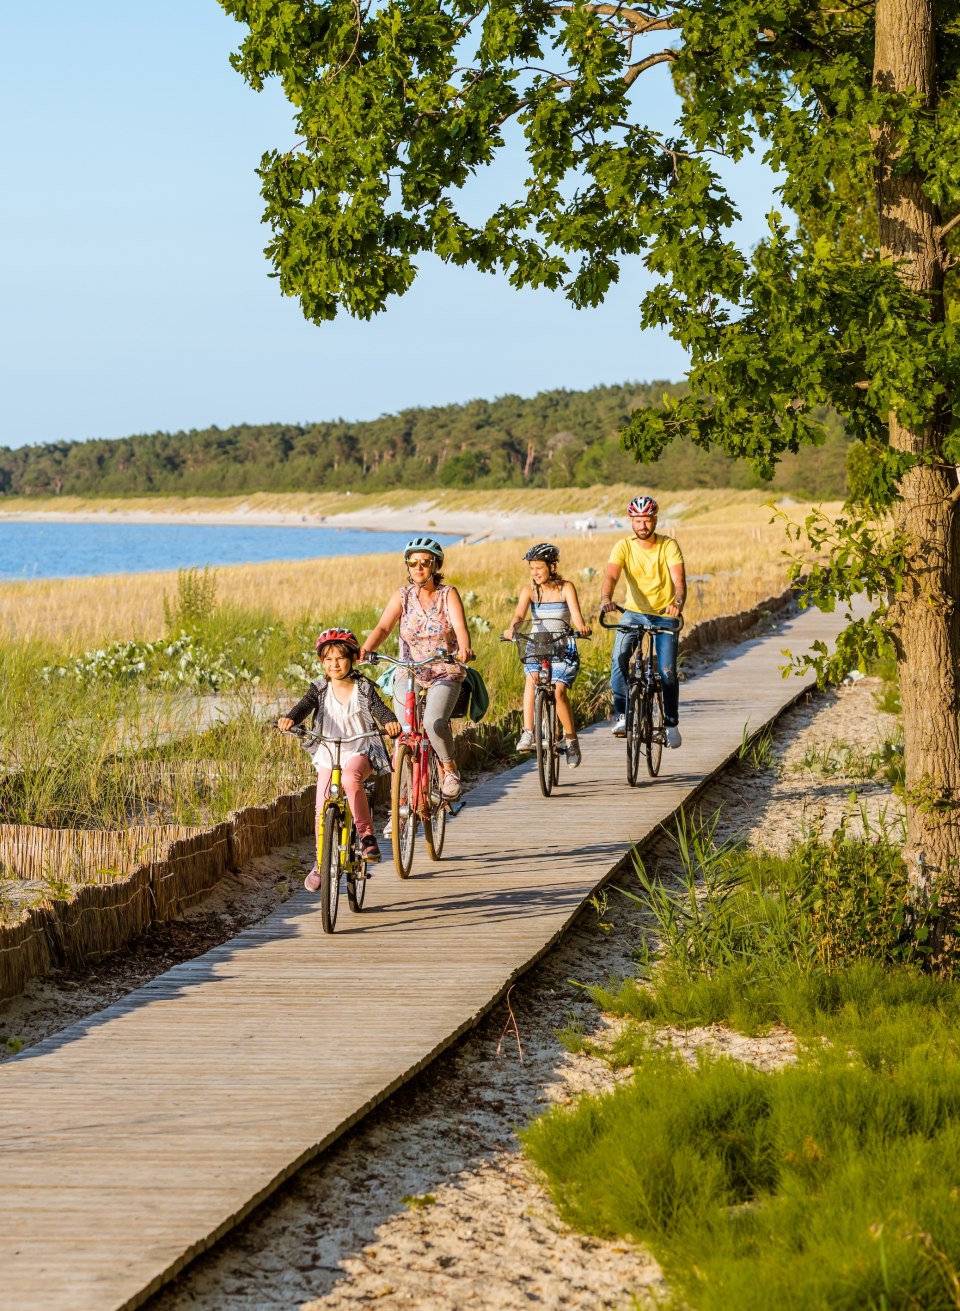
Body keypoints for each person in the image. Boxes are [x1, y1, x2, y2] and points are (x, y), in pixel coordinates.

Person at [278, 627, 401, 889]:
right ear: (322, 662)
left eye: (341, 658)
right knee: (321, 807)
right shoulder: (319, 689)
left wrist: (390, 722)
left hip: (360, 750)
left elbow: (381, 709)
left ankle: (367, 837)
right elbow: (302, 707)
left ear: (354, 659)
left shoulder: (364, 688)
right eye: (328, 659)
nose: (334, 664)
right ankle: (321, 863)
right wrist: (290, 719)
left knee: (350, 778)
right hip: (328, 752)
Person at [359, 537, 474, 802]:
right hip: (408, 672)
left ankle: (448, 769)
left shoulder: (448, 594)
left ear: (435, 565)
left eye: (424, 562)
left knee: (434, 723)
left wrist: (464, 648)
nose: (418, 568)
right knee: (403, 731)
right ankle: (404, 801)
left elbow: (460, 628)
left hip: (444, 670)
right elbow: (383, 628)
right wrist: (365, 650)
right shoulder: (403, 596)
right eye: (413, 563)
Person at [599, 495, 686, 747]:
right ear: (631, 521)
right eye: (638, 520)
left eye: (647, 520)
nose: (642, 526)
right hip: (634, 612)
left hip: (665, 614)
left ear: (655, 520)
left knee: (667, 672)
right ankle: (623, 714)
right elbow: (611, 578)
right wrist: (606, 598)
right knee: (618, 659)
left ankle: (670, 723)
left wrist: (677, 604)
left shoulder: (668, 546)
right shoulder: (623, 546)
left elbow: (679, 583)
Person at [503, 543, 591, 767]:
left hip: (562, 645)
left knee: (559, 691)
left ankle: (571, 741)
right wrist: (512, 628)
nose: (535, 573)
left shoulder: (566, 588)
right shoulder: (529, 591)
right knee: (531, 680)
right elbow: (518, 614)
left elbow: (577, 617)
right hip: (537, 644)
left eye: (539, 568)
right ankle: (529, 733)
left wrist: (582, 628)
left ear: (552, 567)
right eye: (532, 569)